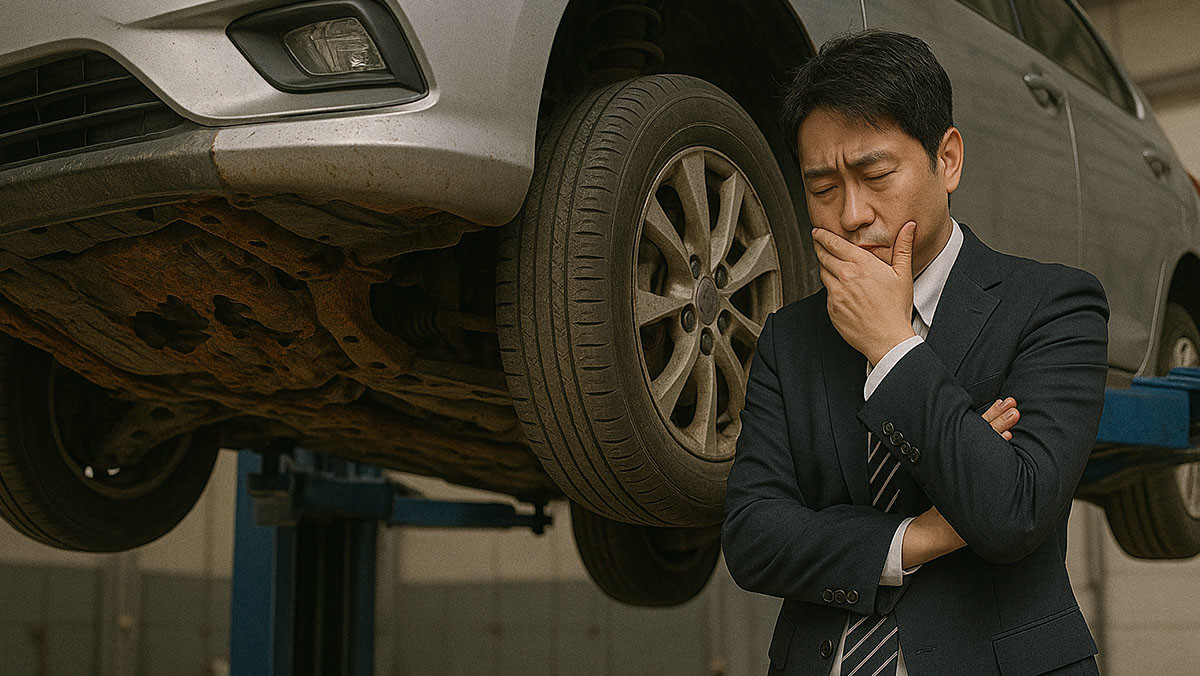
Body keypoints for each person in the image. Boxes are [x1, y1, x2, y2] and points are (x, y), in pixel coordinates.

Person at [721, 29, 1109, 676]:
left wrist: (892, 346)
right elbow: (754, 539)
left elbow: (1013, 511)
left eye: (876, 175)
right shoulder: (791, 338)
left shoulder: (1052, 305)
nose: (850, 213)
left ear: (947, 159)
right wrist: (921, 536)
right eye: (821, 188)